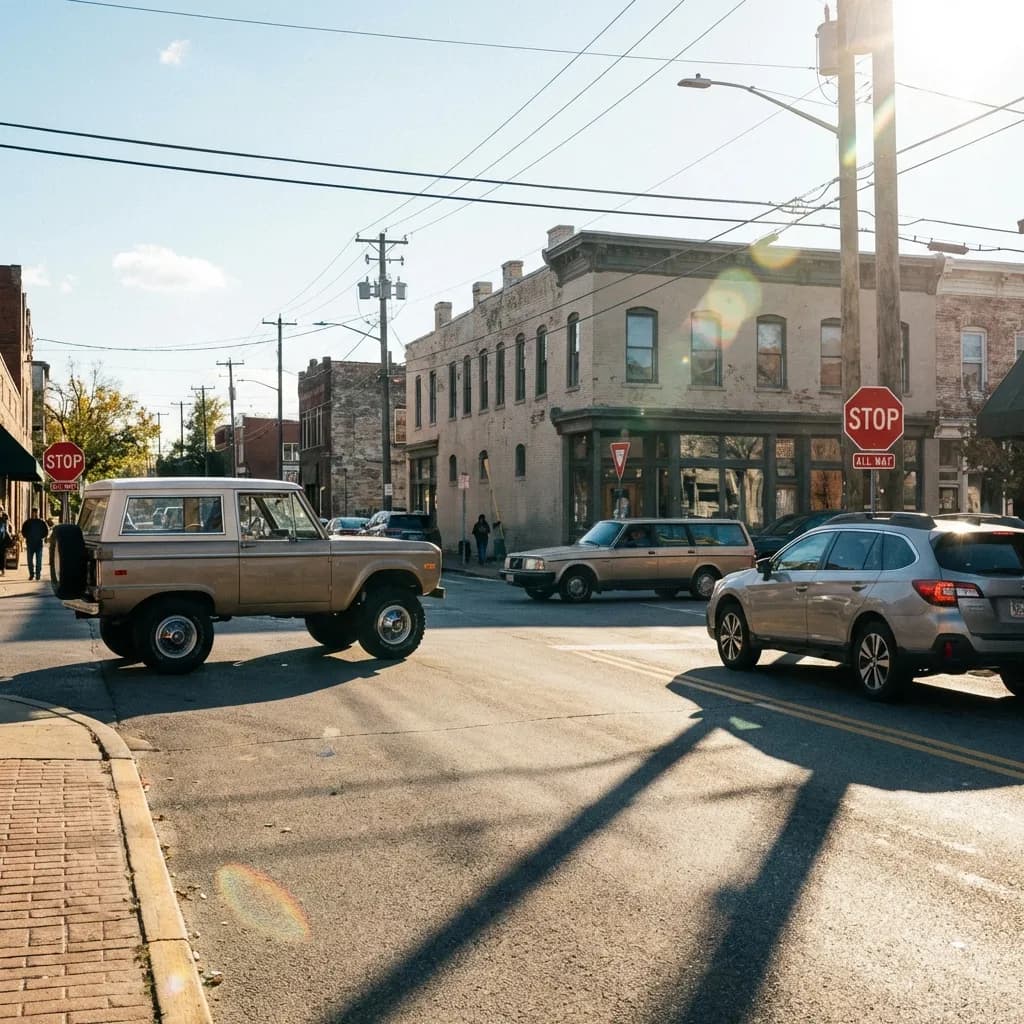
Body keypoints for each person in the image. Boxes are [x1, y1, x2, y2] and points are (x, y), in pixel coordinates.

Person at [21, 508, 49, 581]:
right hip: (30, 544)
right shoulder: (28, 522)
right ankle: (31, 574)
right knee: (30, 561)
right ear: (31, 513)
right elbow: (23, 531)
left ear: (38, 513)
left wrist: (41, 537)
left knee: (38, 561)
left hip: (39, 544)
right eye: (33, 512)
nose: (34, 514)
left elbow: (46, 531)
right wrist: (27, 537)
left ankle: (38, 574)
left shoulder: (42, 522)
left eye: (36, 512)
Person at [0, 510, 10, 576]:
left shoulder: (4, 520)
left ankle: (3, 570)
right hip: (2, 540)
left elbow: (6, 530)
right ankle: (2, 570)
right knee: (2, 556)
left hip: (2, 541)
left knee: (2, 556)